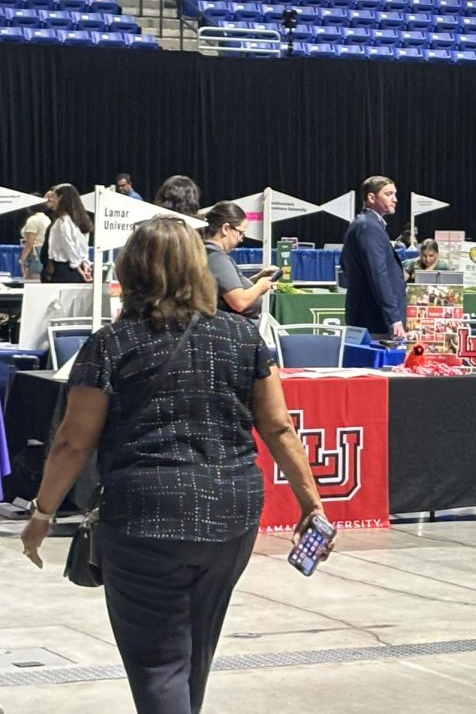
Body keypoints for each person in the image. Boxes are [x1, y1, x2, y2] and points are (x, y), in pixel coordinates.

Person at [20, 215, 329, 714]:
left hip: (144, 517)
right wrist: (311, 505)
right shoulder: (244, 338)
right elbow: (278, 428)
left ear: (132, 270)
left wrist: (42, 513)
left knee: (158, 664)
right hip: (232, 514)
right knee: (193, 654)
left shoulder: (111, 344)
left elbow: (73, 443)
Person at [341, 176, 407, 338]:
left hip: (367, 315)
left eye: (395, 194)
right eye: (389, 194)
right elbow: (378, 274)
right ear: (371, 198)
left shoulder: (364, 223)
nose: (395, 199)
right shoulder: (369, 226)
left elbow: (343, 264)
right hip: (374, 318)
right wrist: (394, 318)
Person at [201, 202, 276, 323]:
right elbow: (239, 302)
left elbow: (227, 291)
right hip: (233, 329)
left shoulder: (208, 253)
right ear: (225, 229)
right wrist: (260, 286)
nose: (241, 239)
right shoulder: (217, 259)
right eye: (240, 233)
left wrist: (255, 279)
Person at [43, 183, 93, 283]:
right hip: (76, 268)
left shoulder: (62, 221)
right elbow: (82, 248)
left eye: (53, 196)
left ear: (60, 198)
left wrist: (79, 269)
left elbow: (68, 247)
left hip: (65, 270)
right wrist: (84, 264)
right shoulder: (81, 220)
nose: (50, 200)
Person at [18, 203, 50, 282]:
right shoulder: (47, 219)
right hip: (45, 253)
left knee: (32, 284)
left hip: (36, 256)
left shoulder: (33, 220)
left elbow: (29, 244)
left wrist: (22, 261)